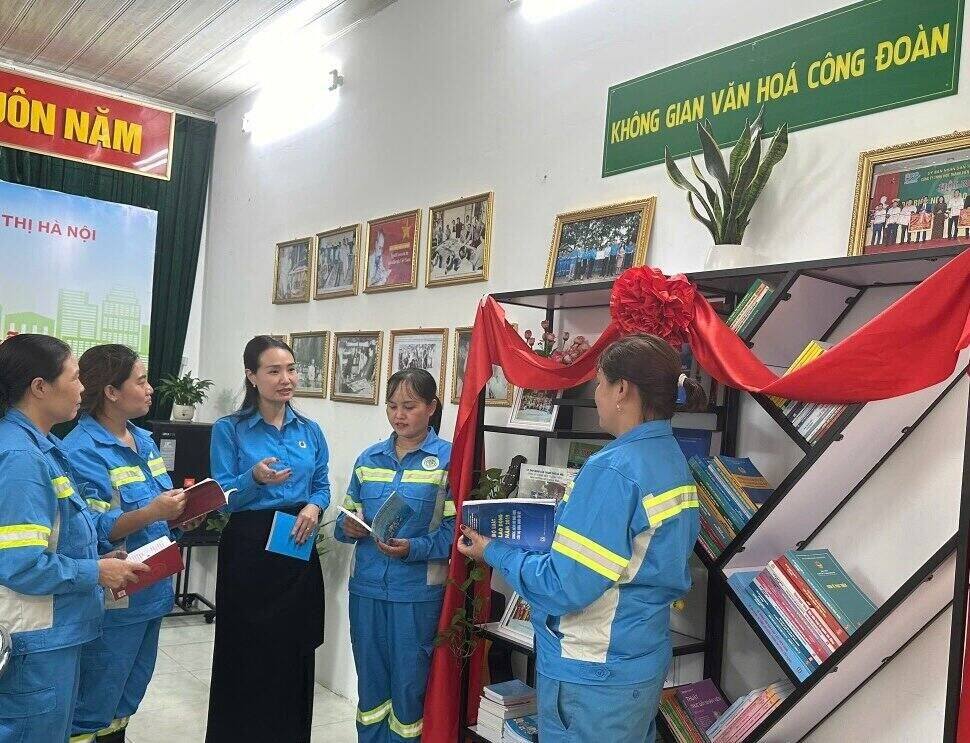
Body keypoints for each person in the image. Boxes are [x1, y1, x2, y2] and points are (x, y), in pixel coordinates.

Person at [459, 334, 705, 743]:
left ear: (622, 389)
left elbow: (562, 586)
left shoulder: (613, 470)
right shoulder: (671, 458)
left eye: (600, 382)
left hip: (593, 670)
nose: (596, 393)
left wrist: (494, 551)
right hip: (640, 658)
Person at [0, 335, 156, 743]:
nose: (82, 388)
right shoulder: (22, 459)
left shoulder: (45, 448)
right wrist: (97, 571)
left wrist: (100, 555)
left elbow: (63, 535)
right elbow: (21, 563)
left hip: (58, 629)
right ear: (40, 386)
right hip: (35, 638)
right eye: (73, 377)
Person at [64, 344, 202, 743]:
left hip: (154, 590)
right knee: (93, 704)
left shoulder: (144, 440)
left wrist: (179, 518)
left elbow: (160, 515)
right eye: (140, 381)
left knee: (127, 698)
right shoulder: (80, 450)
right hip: (115, 599)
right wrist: (153, 512)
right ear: (110, 391)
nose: (150, 389)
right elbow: (89, 529)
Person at [206, 336, 330, 743]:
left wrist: (313, 507)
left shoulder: (310, 431)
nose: (286, 379)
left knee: (293, 650)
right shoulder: (230, 429)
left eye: (291, 369)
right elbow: (221, 497)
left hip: (296, 541)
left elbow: (323, 484)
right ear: (251, 376)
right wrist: (252, 478)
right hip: (249, 547)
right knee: (247, 650)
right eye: (274, 371)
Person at [335, 368, 454, 742]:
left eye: (409, 406)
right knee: (370, 687)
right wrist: (347, 526)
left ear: (431, 407)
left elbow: (455, 534)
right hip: (367, 589)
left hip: (416, 593)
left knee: (408, 687)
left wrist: (413, 548)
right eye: (391, 406)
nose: (399, 415)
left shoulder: (449, 460)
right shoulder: (368, 459)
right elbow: (344, 519)